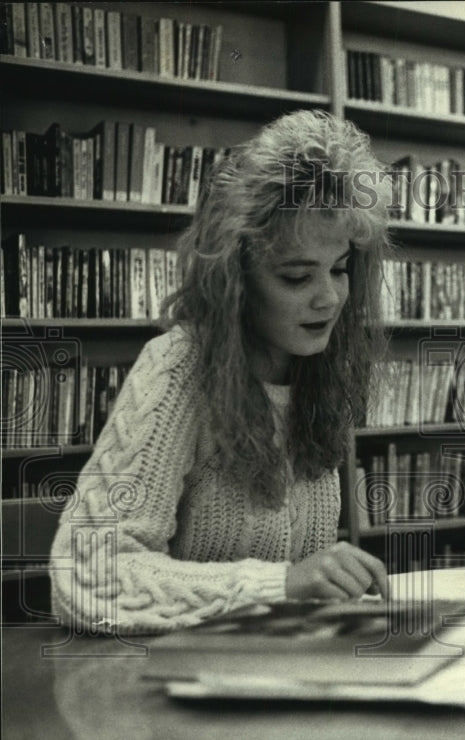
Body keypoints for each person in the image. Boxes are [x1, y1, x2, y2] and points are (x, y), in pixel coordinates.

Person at [50, 109, 392, 634]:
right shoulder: (176, 369)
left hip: (269, 677)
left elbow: (302, 592)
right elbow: (87, 574)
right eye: (297, 276)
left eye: (341, 269)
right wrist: (277, 586)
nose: (329, 298)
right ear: (235, 280)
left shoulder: (317, 374)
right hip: (160, 686)